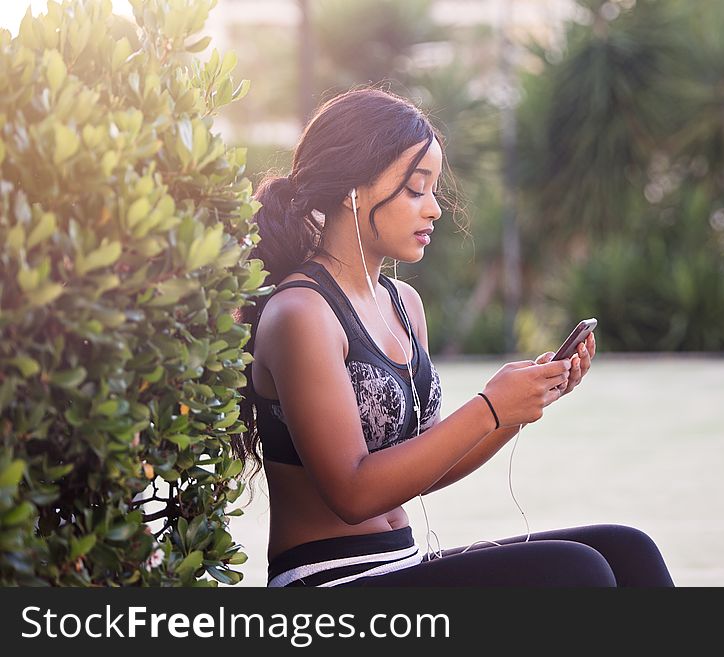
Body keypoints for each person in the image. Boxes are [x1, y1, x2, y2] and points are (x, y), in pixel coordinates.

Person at [234, 87, 674, 588]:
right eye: (415, 189)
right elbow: (352, 495)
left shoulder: (402, 304)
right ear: (351, 189)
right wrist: (489, 407)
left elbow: (429, 465)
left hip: (400, 564)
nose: (435, 209)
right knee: (578, 572)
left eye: (434, 189)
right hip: (328, 582)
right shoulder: (302, 312)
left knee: (626, 548)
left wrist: (518, 408)